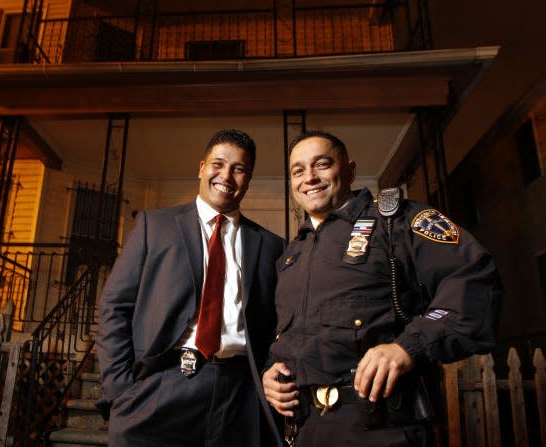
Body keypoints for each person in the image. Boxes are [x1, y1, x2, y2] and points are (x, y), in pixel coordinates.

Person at [262, 130, 501, 446]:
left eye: (322, 164)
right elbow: (286, 337)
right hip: (306, 431)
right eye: (298, 171)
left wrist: (408, 346)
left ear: (349, 170)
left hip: (382, 428)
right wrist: (270, 374)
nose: (310, 177)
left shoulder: (396, 221)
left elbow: (475, 278)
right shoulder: (291, 256)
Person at [96, 129, 285, 447]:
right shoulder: (153, 226)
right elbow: (115, 307)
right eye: (218, 164)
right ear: (201, 167)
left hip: (241, 395)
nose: (226, 175)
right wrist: (120, 391)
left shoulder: (271, 246)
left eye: (239, 169)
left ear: (248, 179)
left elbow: (280, 323)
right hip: (162, 387)